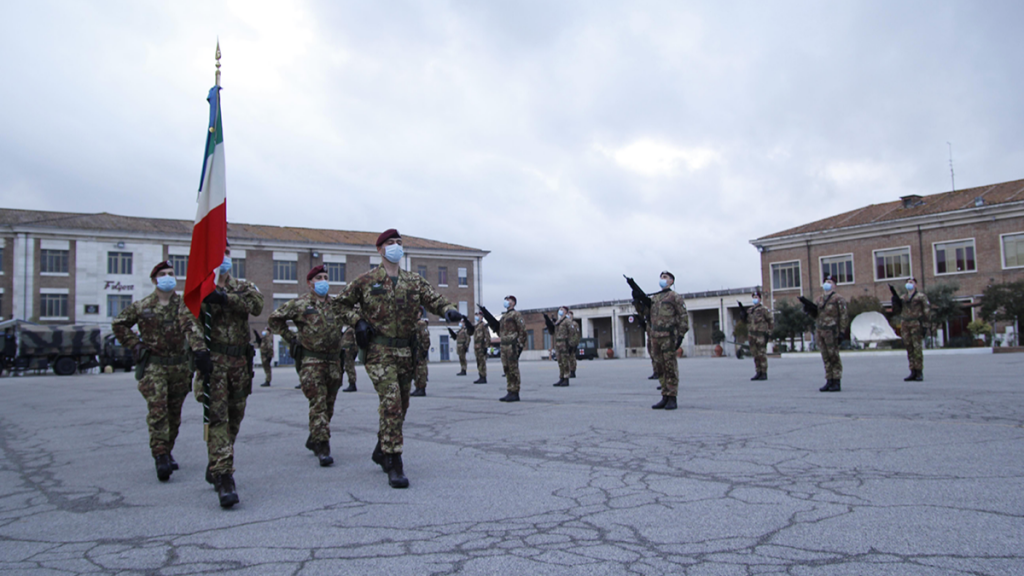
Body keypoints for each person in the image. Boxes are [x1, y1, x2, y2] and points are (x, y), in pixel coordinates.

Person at [332, 229, 465, 488]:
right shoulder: (366, 280)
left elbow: (435, 298)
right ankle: (394, 461)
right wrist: (357, 321)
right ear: (380, 250)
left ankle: (381, 448)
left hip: (406, 351)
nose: (396, 247)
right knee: (392, 401)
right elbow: (339, 305)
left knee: (402, 405)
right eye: (390, 243)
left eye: (399, 243)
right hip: (378, 352)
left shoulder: (413, 281)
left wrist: (449, 311)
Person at [112, 261, 203, 482]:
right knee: (158, 410)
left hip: (180, 367)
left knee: (174, 414)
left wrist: (200, 351)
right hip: (154, 366)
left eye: (171, 274)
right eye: (163, 274)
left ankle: (168, 448)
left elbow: (193, 327)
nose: (167, 277)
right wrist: (134, 344)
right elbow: (119, 324)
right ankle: (160, 454)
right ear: (154, 280)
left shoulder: (184, 305)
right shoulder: (143, 306)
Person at [192, 245, 264, 508]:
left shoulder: (243, 286)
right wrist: (198, 350)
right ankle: (224, 477)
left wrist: (225, 298)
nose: (224, 257)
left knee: (235, 418)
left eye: (227, 252)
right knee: (218, 418)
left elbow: (257, 306)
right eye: (218, 251)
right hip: (214, 364)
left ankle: (216, 461)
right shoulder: (199, 288)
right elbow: (188, 320)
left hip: (239, 365)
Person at [268, 265, 344, 467]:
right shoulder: (300, 304)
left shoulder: (336, 304)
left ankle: (314, 437)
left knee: (329, 404)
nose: (323, 280)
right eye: (319, 277)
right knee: (318, 403)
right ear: (310, 283)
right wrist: (290, 338)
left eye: (326, 277)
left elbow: (351, 317)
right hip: (311, 361)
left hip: (334, 361)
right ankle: (322, 446)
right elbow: (275, 319)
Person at [801, 274, 849, 392]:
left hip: (832, 331)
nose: (827, 284)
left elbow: (844, 316)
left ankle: (836, 381)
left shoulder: (838, 299)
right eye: (826, 281)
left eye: (830, 282)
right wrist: (809, 310)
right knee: (825, 356)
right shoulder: (819, 299)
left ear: (834, 285)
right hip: (820, 330)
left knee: (834, 356)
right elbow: (816, 315)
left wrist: (842, 332)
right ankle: (829, 380)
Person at [650, 272, 689, 410]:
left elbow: (683, 316)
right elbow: (648, 316)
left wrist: (680, 336)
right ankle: (664, 395)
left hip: (668, 336)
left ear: (672, 281)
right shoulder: (655, 298)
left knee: (670, 366)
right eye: (661, 277)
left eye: (665, 278)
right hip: (656, 336)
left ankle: (672, 396)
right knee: (659, 366)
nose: (662, 280)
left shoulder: (675, 297)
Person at [892, 278, 930, 381]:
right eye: (908, 282)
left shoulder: (920, 297)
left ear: (916, 285)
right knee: (909, 347)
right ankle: (912, 371)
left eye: (911, 282)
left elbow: (926, 310)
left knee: (917, 347)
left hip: (916, 323)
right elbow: (897, 311)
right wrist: (895, 302)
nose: (909, 284)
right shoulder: (903, 298)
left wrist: (925, 325)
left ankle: (919, 371)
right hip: (905, 324)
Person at [498, 295, 527, 402]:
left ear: (513, 303)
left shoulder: (516, 314)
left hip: (512, 345)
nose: (506, 302)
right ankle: (510, 390)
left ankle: (515, 392)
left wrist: (519, 345)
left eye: (508, 300)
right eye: (505, 300)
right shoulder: (504, 316)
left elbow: (522, 330)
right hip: (504, 345)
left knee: (513, 368)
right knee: (506, 368)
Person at [743, 290, 774, 381]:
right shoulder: (750, 310)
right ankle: (758, 372)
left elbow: (770, 321)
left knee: (762, 354)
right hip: (752, 335)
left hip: (761, 335)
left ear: (760, 299)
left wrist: (769, 332)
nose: (755, 299)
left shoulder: (764, 310)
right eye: (753, 298)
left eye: (756, 298)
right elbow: (746, 322)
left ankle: (764, 372)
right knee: (755, 354)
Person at [551, 306, 573, 387]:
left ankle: (566, 378)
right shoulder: (558, 321)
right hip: (558, 344)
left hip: (564, 344)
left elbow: (572, 332)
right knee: (560, 362)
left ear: (566, 312)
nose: (560, 311)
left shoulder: (567, 321)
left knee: (565, 361)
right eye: (559, 309)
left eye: (562, 309)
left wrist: (571, 345)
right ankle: (561, 377)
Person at [410, 310, 430, 397]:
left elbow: (425, 337)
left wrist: (425, 349)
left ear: (420, 313)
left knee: (421, 369)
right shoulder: (413, 323)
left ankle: (421, 388)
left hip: (420, 349)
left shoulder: (421, 323)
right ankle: (417, 387)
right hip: (414, 350)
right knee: (416, 369)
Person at [472, 311, 491, 384]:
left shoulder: (484, 325)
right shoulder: (477, 326)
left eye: (478, 315)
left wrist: (486, 347)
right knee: (478, 362)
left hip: (481, 346)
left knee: (482, 363)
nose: (476, 316)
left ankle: (483, 377)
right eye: (476, 315)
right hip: (476, 347)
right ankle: (480, 376)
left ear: (481, 316)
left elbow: (487, 337)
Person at [340, 326, 358, 392]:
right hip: (345, 349)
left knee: (349, 366)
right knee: (345, 366)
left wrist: (355, 348)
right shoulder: (347, 328)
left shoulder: (353, 329)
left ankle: (352, 383)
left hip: (350, 349)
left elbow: (356, 339)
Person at [567, 311, 580, 378]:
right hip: (567, 343)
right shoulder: (566, 323)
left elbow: (577, 334)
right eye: (568, 314)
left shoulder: (574, 324)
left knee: (572, 358)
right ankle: (568, 371)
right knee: (567, 358)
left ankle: (573, 371)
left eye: (570, 314)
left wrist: (576, 344)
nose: (569, 315)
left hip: (572, 343)